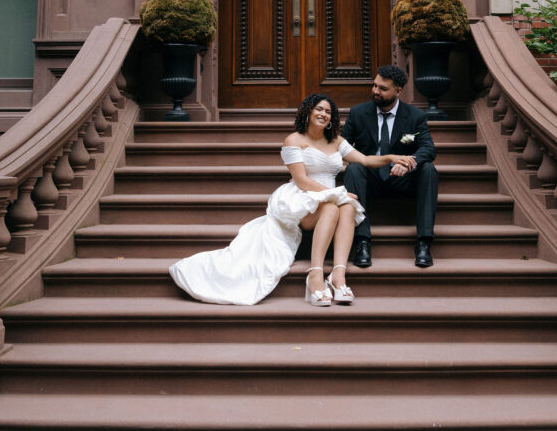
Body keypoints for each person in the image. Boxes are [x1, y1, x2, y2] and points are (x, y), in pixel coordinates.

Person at [169, 93, 415, 306]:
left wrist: (392, 156)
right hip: (303, 197)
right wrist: (336, 193)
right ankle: (315, 274)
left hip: (329, 196)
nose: (324, 114)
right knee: (333, 207)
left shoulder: (337, 141)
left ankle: (338, 275)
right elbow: (302, 180)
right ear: (307, 111)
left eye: (328, 111)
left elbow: (365, 160)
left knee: (348, 210)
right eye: (319, 108)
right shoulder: (293, 140)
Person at [342, 64, 438, 269]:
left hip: (401, 178)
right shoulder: (358, 113)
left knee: (428, 169)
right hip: (370, 178)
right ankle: (362, 242)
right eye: (375, 85)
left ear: (398, 91)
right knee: (353, 168)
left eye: (383, 88)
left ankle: (423, 243)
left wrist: (409, 163)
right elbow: (341, 146)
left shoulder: (415, 117)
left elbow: (428, 148)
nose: (376, 91)